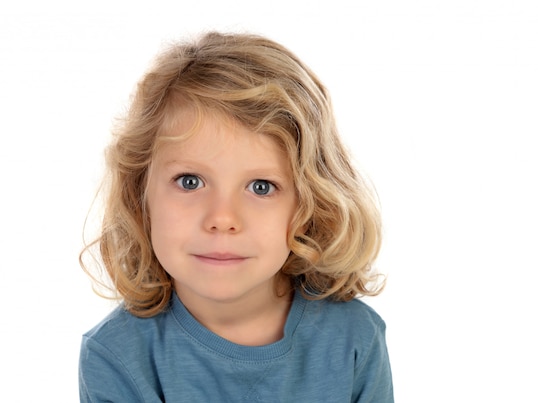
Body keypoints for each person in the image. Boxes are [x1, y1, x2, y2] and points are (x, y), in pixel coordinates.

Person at [79, 31, 393, 402]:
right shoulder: (117, 354)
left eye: (261, 186)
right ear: (140, 195)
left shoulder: (354, 338)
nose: (223, 218)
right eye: (190, 181)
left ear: (311, 204)